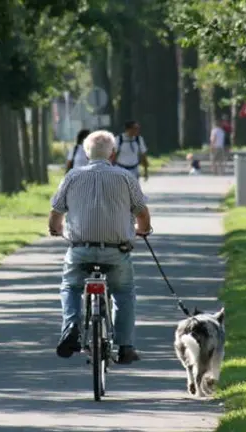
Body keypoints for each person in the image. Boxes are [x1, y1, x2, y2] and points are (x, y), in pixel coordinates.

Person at [49, 130, 152, 365]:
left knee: (71, 287)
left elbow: (56, 213)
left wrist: (55, 229)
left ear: (86, 154)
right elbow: (142, 212)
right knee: (124, 293)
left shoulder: (72, 177)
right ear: (112, 153)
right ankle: (125, 346)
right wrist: (143, 229)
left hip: (80, 249)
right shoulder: (126, 177)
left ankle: (72, 325)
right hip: (116, 250)